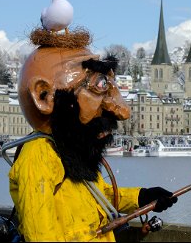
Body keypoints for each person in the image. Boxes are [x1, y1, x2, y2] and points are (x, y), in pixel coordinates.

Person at [9, 31, 177, 241]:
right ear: (44, 96)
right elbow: (41, 235)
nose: (122, 112)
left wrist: (142, 196)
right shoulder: (39, 156)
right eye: (100, 86)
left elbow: (98, 196)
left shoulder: (71, 150)